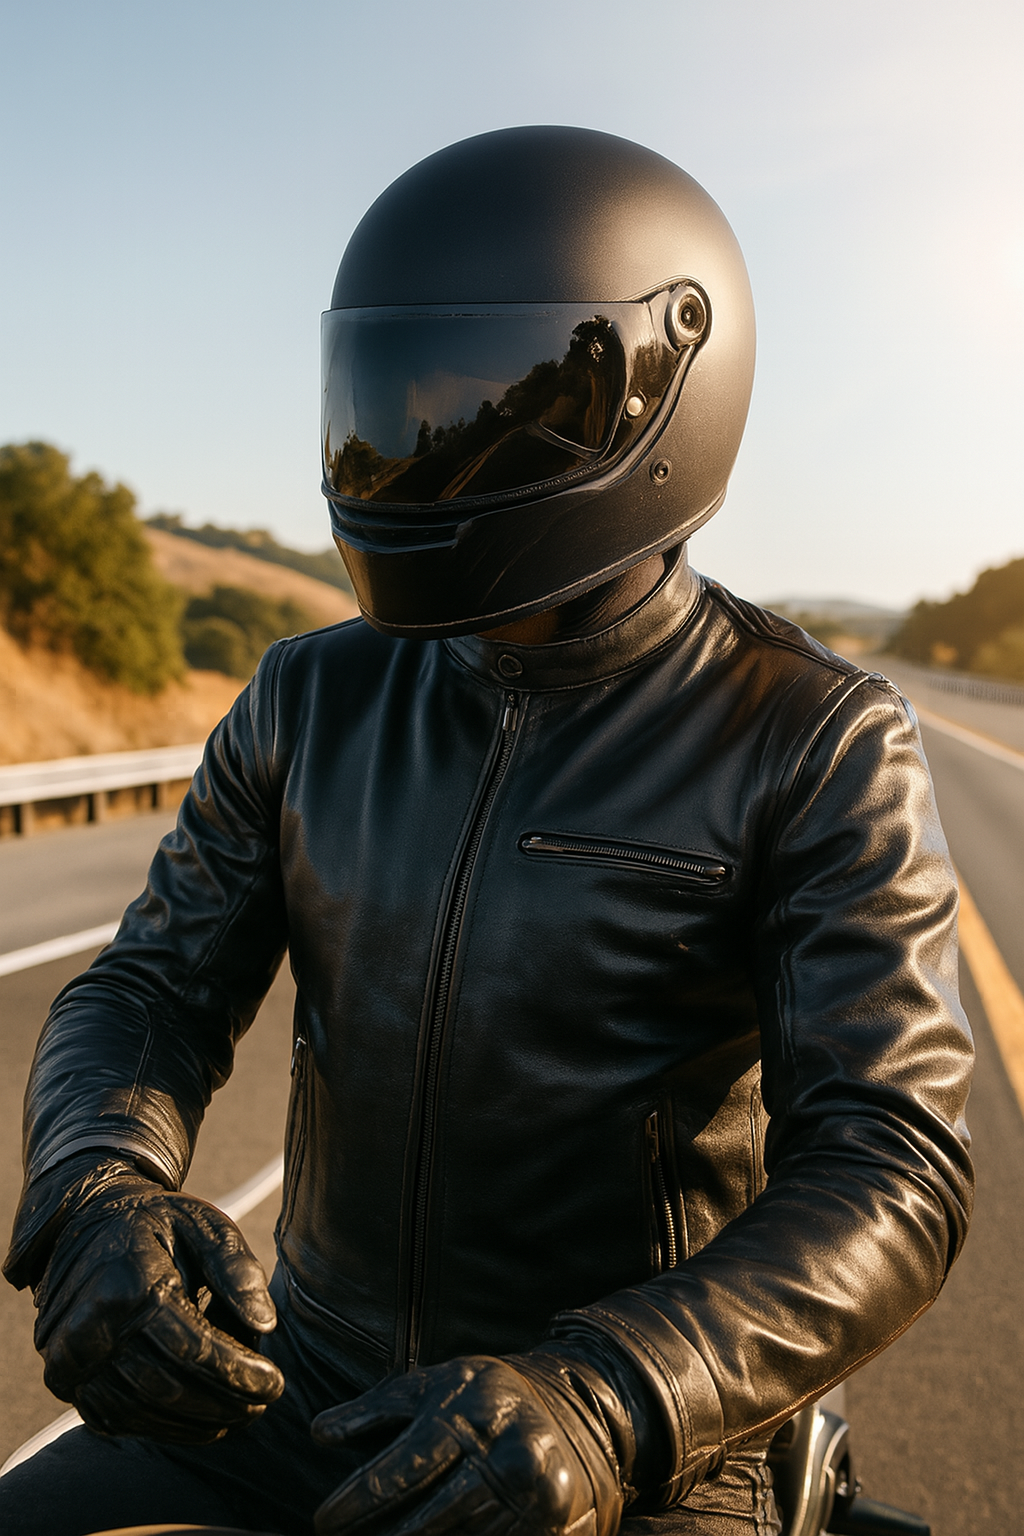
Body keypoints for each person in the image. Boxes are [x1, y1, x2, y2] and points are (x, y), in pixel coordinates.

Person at [1, 127, 973, 1536]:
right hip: (306, 1385)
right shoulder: (307, 696)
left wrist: (616, 1395)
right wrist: (95, 1185)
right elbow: (151, 987)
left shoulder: (813, 737)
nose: (425, 444)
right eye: (396, 397)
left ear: (663, 389)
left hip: (640, 1443)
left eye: (486, 402)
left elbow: (893, 1157)